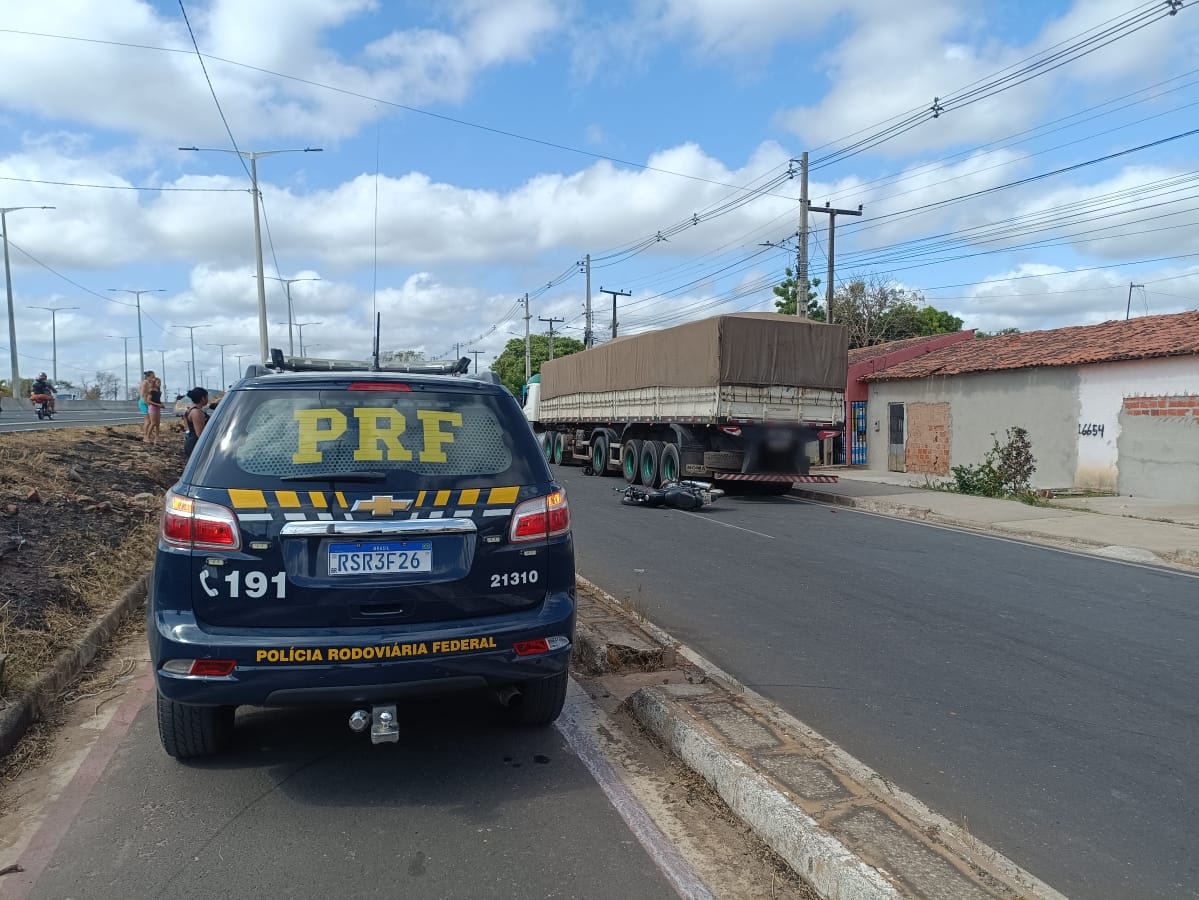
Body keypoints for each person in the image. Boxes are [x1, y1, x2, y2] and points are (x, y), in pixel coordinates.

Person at [182, 387, 209, 457]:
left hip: (191, 442)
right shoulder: (196, 412)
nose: (208, 399)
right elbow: (200, 434)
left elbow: (187, 429)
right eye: (207, 397)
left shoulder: (190, 410)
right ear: (203, 398)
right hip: (195, 444)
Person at [146, 374, 165, 446]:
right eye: (158, 383)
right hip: (153, 408)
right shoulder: (151, 391)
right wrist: (158, 404)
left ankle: (157, 439)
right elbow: (149, 401)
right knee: (153, 423)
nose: (159, 384)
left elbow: (157, 400)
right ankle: (147, 437)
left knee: (157, 424)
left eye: (160, 383)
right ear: (154, 383)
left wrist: (161, 404)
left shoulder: (159, 391)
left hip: (157, 408)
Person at [139, 370, 154, 441]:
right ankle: (145, 437)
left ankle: (147, 435)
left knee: (150, 421)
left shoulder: (147, 382)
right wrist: (147, 403)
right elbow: (143, 394)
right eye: (152, 377)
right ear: (148, 377)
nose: (153, 378)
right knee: (148, 421)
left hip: (146, 401)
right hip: (144, 401)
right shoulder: (145, 382)